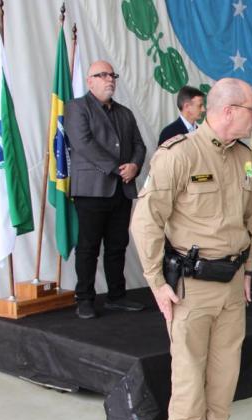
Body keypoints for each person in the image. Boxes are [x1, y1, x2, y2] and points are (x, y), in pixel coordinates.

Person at [129, 78, 252, 420]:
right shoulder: (179, 155)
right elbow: (145, 220)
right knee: (189, 368)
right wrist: (156, 282)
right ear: (229, 111)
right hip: (192, 284)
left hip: (232, 281)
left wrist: (248, 270)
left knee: (225, 367)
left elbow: (251, 218)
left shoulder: (245, 158)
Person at [65, 60, 147, 319]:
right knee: (88, 247)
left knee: (117, 245)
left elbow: (139, 145)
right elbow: (83, 144)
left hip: (122, 190)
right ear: (89, 81)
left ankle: (116, 297)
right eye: (102, 75)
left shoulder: (125, 113)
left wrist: (135, 166)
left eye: (112, 75)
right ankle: (85, 299)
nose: (110, 79)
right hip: (91, 190)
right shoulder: (77, 107)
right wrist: (117, 168)